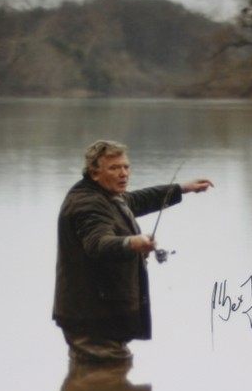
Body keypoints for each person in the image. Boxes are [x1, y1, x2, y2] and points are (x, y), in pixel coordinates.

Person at [53, 140, 213, 365]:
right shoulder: (88, 204)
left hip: (97, 315)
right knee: (107, 377)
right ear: (94, 173)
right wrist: (131, 243)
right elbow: (98, 243)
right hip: (92, 319)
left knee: (94, 378)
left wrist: (182, 188)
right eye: (114, 168)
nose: (123, 173)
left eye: (126, 167)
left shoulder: (106, 196)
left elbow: (136, 200)